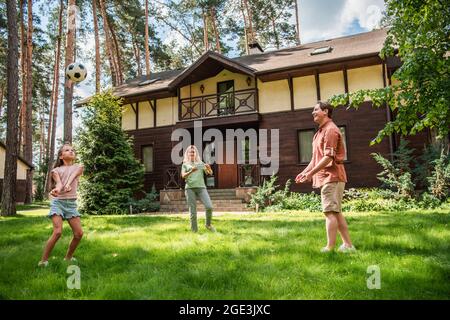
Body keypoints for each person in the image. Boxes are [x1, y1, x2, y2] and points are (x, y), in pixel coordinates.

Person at [295, 102, 356, 253]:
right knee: (335, 211)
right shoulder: (320, 132)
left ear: (325, 111)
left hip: (332, 176)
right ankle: (348, 246)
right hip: (329, 177)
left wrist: (310, 174)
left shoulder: (330, 130)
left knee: (329, 212)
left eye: (315, 110)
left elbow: (328, 158)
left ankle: (329, 247)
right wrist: (305, 172)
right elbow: (316, 158)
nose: (313, 113)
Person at [38, 144, 84, 267]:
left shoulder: (79, 167)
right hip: (58, 202)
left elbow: (74, 176)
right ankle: (43, 261)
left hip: (71, 204)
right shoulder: (56, 171)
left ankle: (68, 258)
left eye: (73, 150)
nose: (71, 151)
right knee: (58, 232)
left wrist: (68, 184)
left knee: (79, 234)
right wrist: (56, 190)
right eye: (67, 150)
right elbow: (58, 184)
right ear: (61, 156)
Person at [181, 145, 215, 233]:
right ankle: (194, 231)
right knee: (193, 211)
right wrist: (191, 170)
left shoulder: (200, 163)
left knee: (209, 206)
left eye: (193, 152)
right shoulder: (185, 164)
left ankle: (208, 224)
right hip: (190, 188)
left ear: (196, 153)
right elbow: (183, 176)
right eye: (190, 152)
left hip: (201, 187)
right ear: (187, 153)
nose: (192, 153)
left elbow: (209, 173)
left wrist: (209, 168)